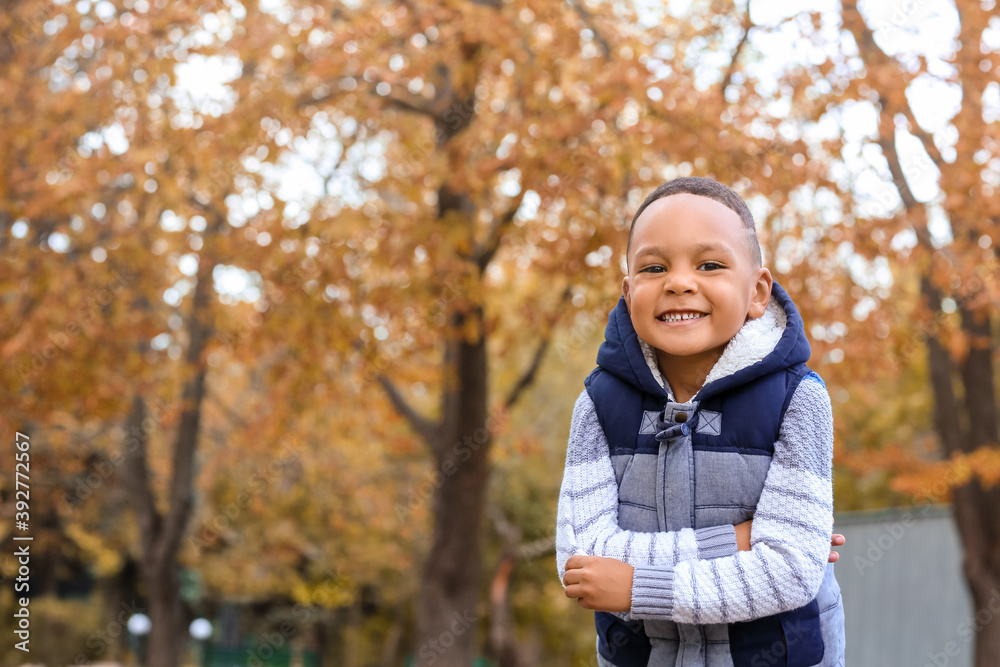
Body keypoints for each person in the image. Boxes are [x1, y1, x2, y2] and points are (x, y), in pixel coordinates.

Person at [555, 176, 847, 667]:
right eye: (654, 267)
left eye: (709, 264)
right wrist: (735, 541)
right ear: (628, 292)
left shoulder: (799, 399)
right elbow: (582, 563)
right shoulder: (598, 404)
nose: (679, 282)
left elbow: (791, 572)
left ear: (757, 292)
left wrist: (635, 587)